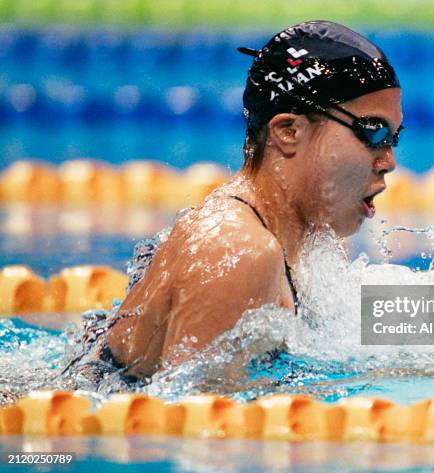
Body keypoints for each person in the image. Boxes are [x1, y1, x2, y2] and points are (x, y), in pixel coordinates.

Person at [104, 20, 403, 378]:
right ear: (288, 132)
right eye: (374, 132)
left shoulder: (312, 241)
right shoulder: (239, 250)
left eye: (393, 138)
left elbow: (379, 329)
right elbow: (190, 422)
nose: (389, 161)